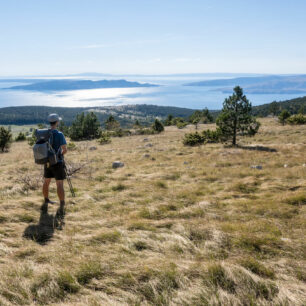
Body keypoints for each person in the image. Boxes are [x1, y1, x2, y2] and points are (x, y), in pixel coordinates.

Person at [41, 114, 67, 220]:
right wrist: (60, 155)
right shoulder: (59, 134)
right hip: (57, 162)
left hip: (47, 162)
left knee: (46, 182)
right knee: (59, 183)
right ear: (57, 122)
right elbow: (64, 149)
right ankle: (62, 204)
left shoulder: (44, 134)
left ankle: (46, 200)